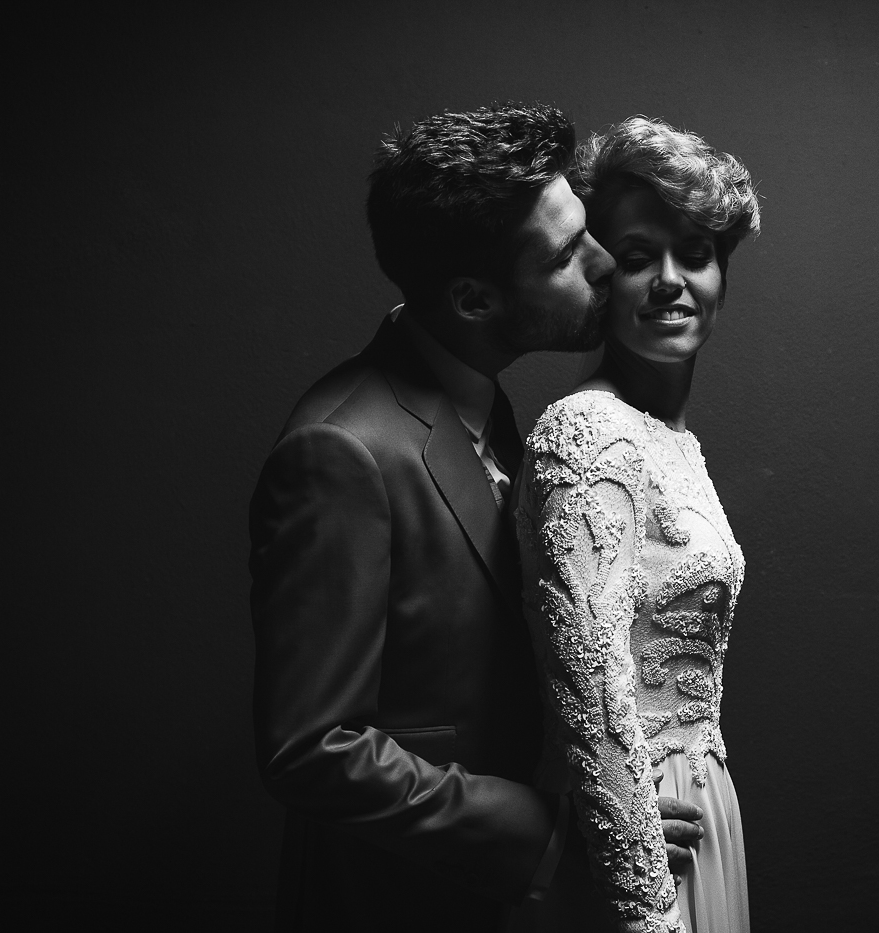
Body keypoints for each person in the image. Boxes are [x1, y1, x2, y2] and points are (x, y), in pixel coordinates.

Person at [249, 104, 701, 933]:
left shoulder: (490, 404)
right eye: (566, 255)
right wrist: (551, 831)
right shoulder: (338, 452)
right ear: (473, 300)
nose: (606, 262)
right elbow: (311, 749)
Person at [514, 117, 761, 933]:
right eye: (636, 256)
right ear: (599, 271)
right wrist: (639, 886)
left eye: (695, 253)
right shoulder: (592, 430)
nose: (669, 280)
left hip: (699, 805)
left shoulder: (670, 437)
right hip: (635, 836)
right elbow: (587, 676)